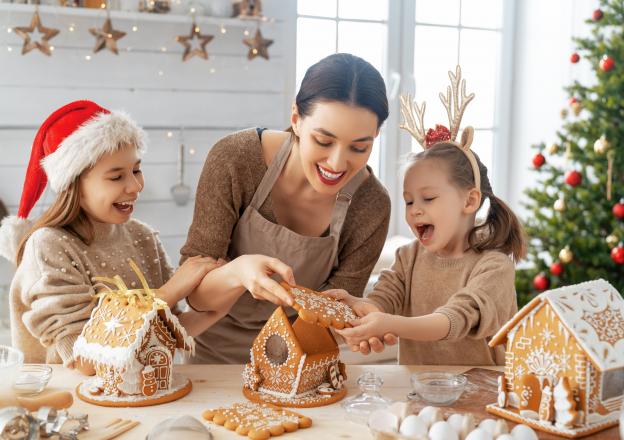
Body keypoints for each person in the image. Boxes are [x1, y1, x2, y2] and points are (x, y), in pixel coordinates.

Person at [180, 53, 392, 363]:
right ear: (295, 118)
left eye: (359, 147)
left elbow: (328, 318)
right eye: (323, 140)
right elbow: (195, 294)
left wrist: (357, 319)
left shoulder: (371, 205)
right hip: (211, 358)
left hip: (299, 361)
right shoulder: (236, 160)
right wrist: (238, 272)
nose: (337, 163)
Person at [0, 100, 225, 371]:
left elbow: (167, 330)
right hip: (71, 403)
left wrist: (227, 295)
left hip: (140, 394)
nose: (135, 186)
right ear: (74, 185)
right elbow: (85, 361)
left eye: (136, 170)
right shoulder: (49, 245)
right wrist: (168, 293)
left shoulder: (142, 236)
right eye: (116, 177)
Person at [332, 69, 527, 365]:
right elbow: (384, 298)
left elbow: (455, 319)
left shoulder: (494, 266)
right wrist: (358, 307)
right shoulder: (409, 257)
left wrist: (390, 324)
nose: (415, 210)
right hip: (418, 390)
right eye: (409, 201)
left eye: (429, 198)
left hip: (482, 394)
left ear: (470, 199)